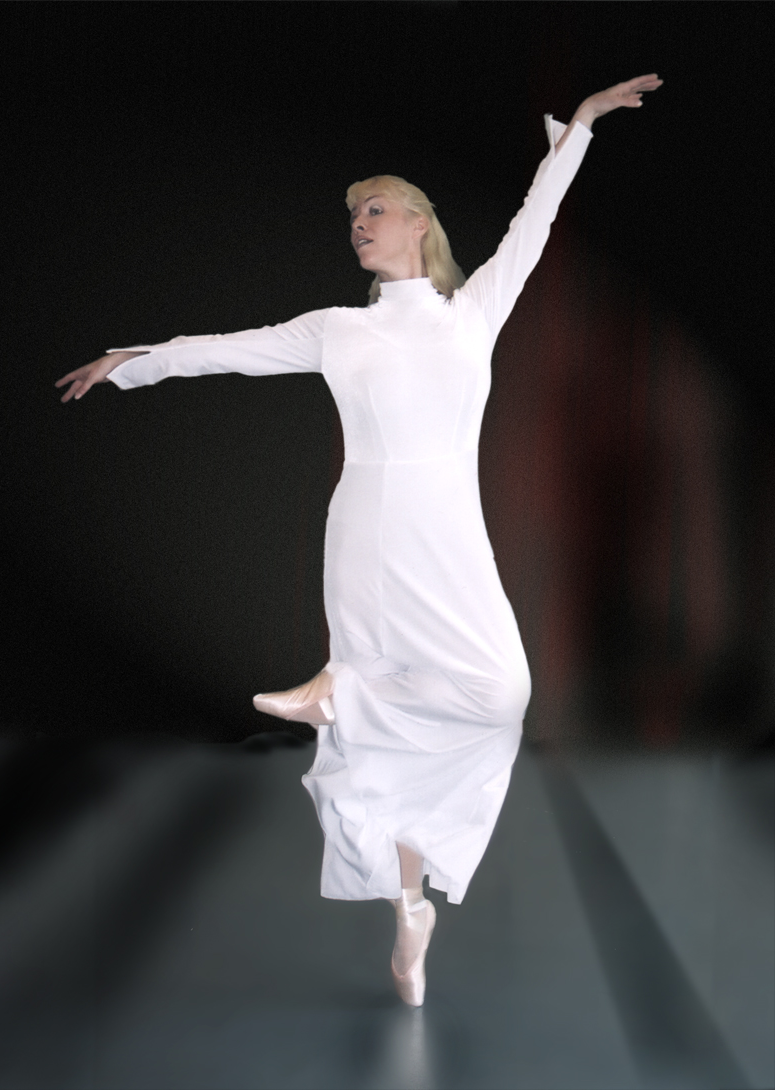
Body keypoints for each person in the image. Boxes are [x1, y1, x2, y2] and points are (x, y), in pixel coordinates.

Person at [57, 75, 662, 1006]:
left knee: (500, 694)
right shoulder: (338, 328)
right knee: (384, 739)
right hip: (369, 524)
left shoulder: (474, 312)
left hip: (447, 523)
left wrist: (580, 126)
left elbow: (535, 225)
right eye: (352, 218)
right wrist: (137, 360)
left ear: (419, 223)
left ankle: (349, 711)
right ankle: (397, 872)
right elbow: (230, 349)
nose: (358, 226)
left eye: (373, 210)